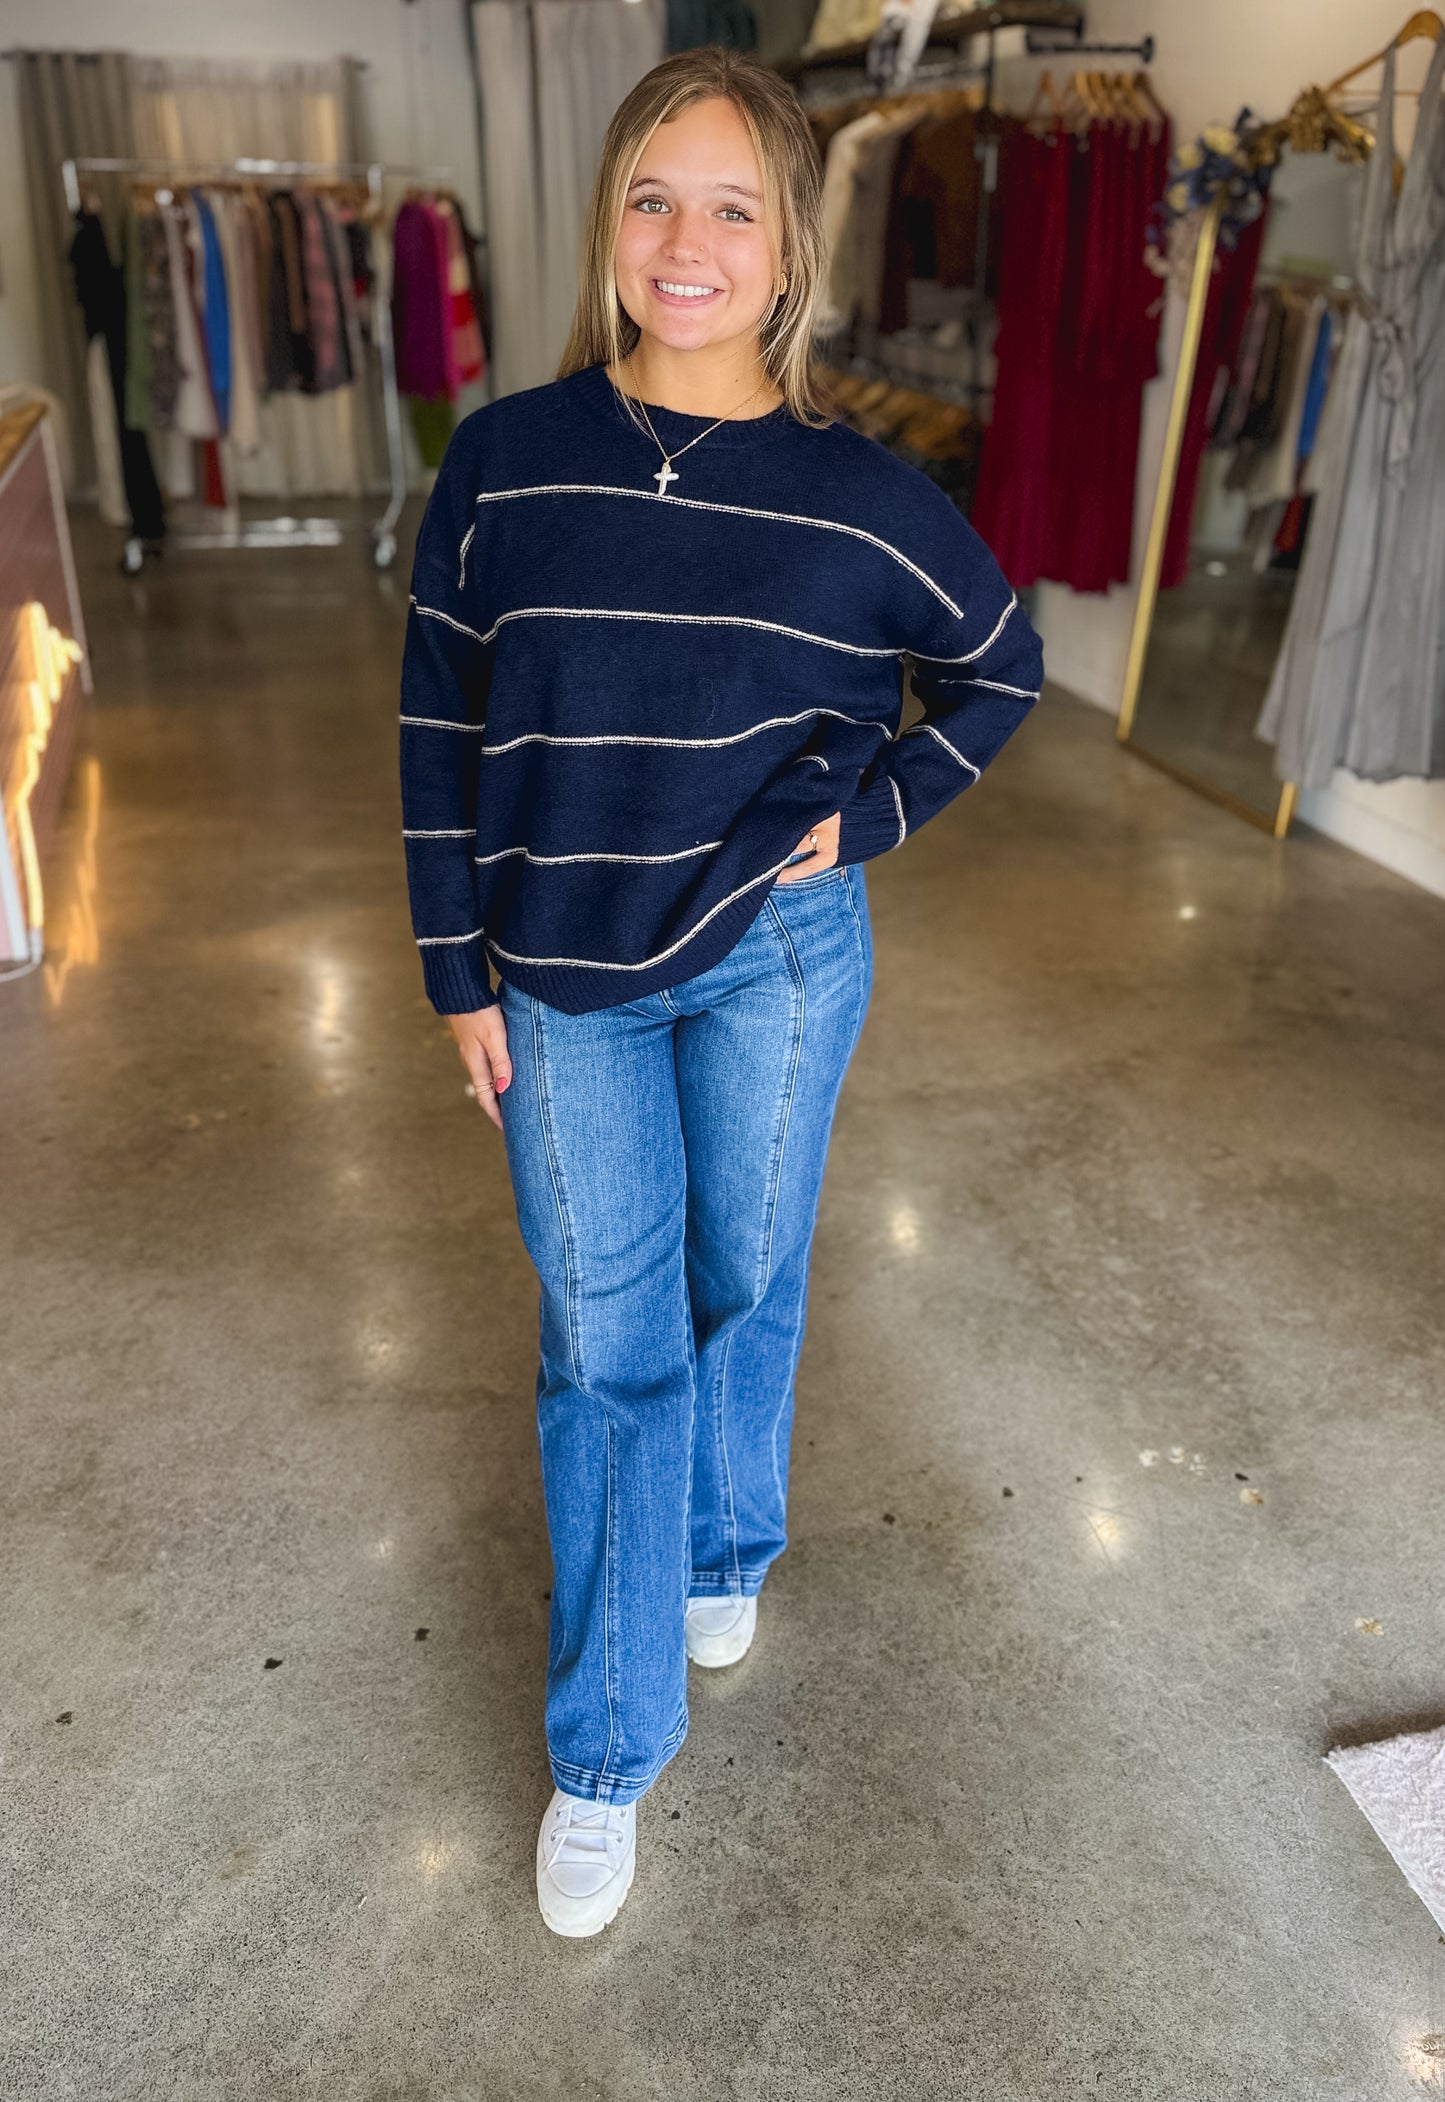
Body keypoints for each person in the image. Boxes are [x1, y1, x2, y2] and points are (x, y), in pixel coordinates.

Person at [398, 45, 1043, 1937]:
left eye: (731, 207)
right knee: (608, 1343)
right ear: (610, 227)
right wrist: (457, 970)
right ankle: (605, 1750)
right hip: (563, 974)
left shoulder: (859, 495)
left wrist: (875, 818)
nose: (686, 242)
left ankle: (725, 1534)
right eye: (652, 199)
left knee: (743, 1268)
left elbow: (996, 673)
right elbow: (439, 721)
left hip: (772, 956)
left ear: (787, 254)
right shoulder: (506, 460)